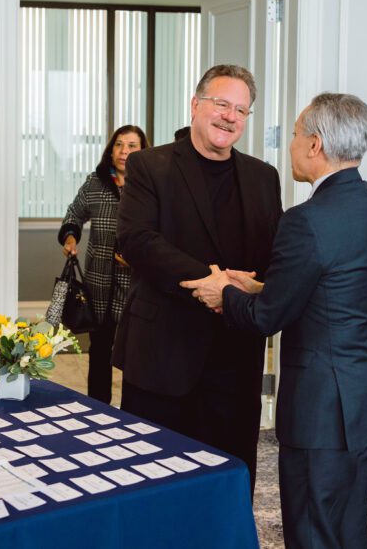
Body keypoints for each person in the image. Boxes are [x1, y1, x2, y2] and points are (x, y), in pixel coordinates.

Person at [182, 93, 367, 549]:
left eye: (297, 134)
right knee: (348, 523)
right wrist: (262, 285)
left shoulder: (306, 220)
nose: (292, 144)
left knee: (312, 529)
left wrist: (220, 291)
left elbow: (266, 320)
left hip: (321, 408)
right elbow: (333, 289)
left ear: (316, 145)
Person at [114, 64, 283, 488]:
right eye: (221, 104)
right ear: (195, 104)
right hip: (164, 355)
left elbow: (274, 253)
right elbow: (136, 241)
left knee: (229, 477)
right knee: (153, 480)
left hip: (237, 356)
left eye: (241, 111)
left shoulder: (264, 177)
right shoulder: (149, 166)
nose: (230, 117)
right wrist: (210, 281)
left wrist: (255, 287)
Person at [58, 124, 150, 403]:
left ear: (143, 150)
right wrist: (71, 237)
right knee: (99, 354)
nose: (124, 152)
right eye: (119, 145)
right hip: (98, 289)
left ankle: (134, 415)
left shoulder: (151, 185)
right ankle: (98, 409)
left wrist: (138, 256)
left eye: (132, 146)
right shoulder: (96, 183)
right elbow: (74, 213)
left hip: (135, 288)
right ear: (110, 150)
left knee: (137, 358)